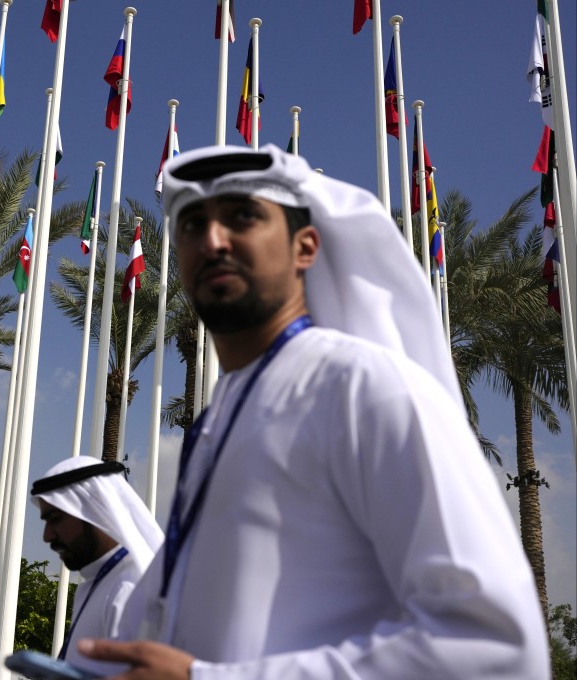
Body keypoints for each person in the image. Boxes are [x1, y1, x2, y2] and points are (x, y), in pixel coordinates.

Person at [78, 144, 550, 678]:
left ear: (305, 246)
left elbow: (496, 648)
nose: (211, 240)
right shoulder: (217, 420)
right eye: (191, 226)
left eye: (242, 216)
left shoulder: (368, 389)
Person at [31, 456, 164, 676]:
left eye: (55, 519)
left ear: (94, 512)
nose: (47, 536)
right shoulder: (99, 580)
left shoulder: (130, 586)